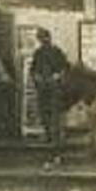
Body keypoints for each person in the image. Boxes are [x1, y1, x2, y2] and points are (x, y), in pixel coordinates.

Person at [30, 27, 69, 161]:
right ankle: (49, 138)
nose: (43, 41)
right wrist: (37, 77)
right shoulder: (38, 53)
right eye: (40, 39)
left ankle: (57, 146)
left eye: (44, 38)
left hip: (55, 89)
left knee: (55, 118)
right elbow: (33, 70)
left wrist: (56, 76)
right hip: (43, 89)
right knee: (44, 114)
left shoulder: (57, 51)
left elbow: (65, 68)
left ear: (49, 38)